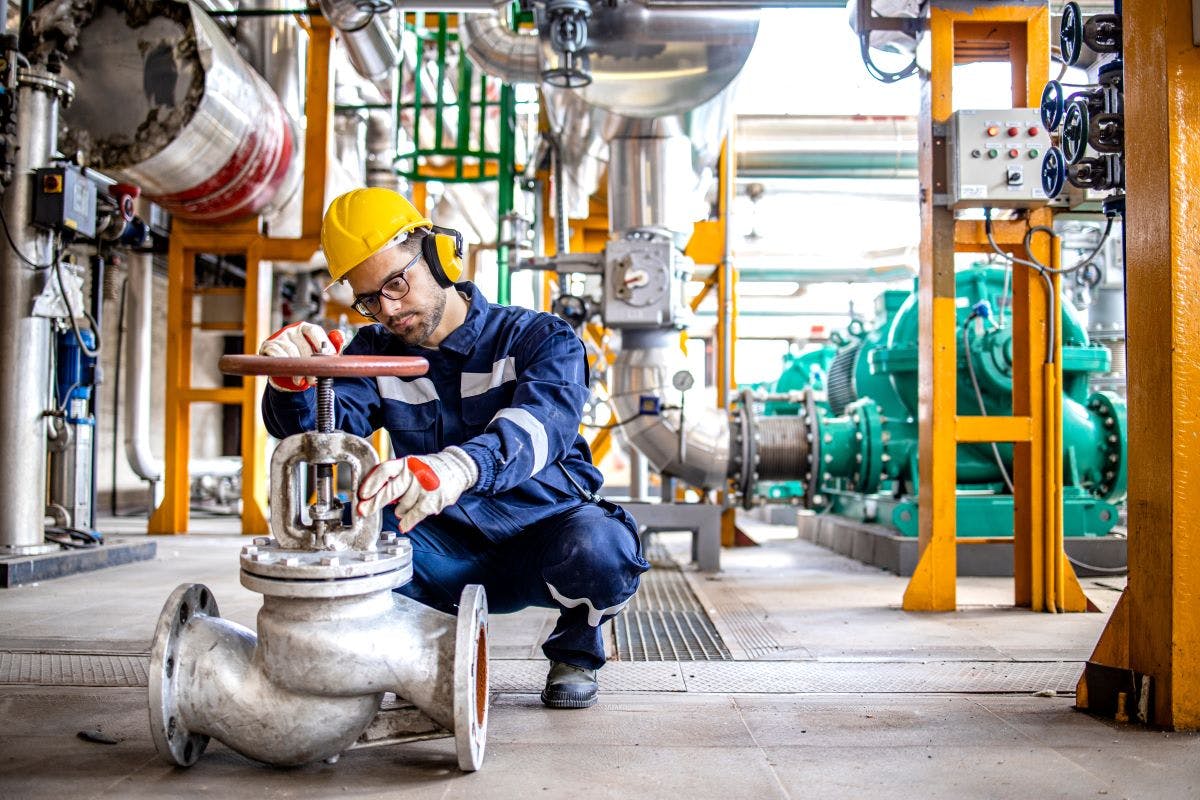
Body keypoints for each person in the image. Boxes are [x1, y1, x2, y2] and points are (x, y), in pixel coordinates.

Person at [258, 187, 649, 709]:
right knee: (355, 538)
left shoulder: (539, 338)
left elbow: (539, 427)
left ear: (437, 255)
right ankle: (414, 655)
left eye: (397, 282)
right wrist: (294, 384)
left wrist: (458, 468)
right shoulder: (374, 352)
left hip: (545, 537)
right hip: (444, 549)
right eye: (370, 298)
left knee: (604, 549)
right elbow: (326, 438)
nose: (389, 309)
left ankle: (576, 648)